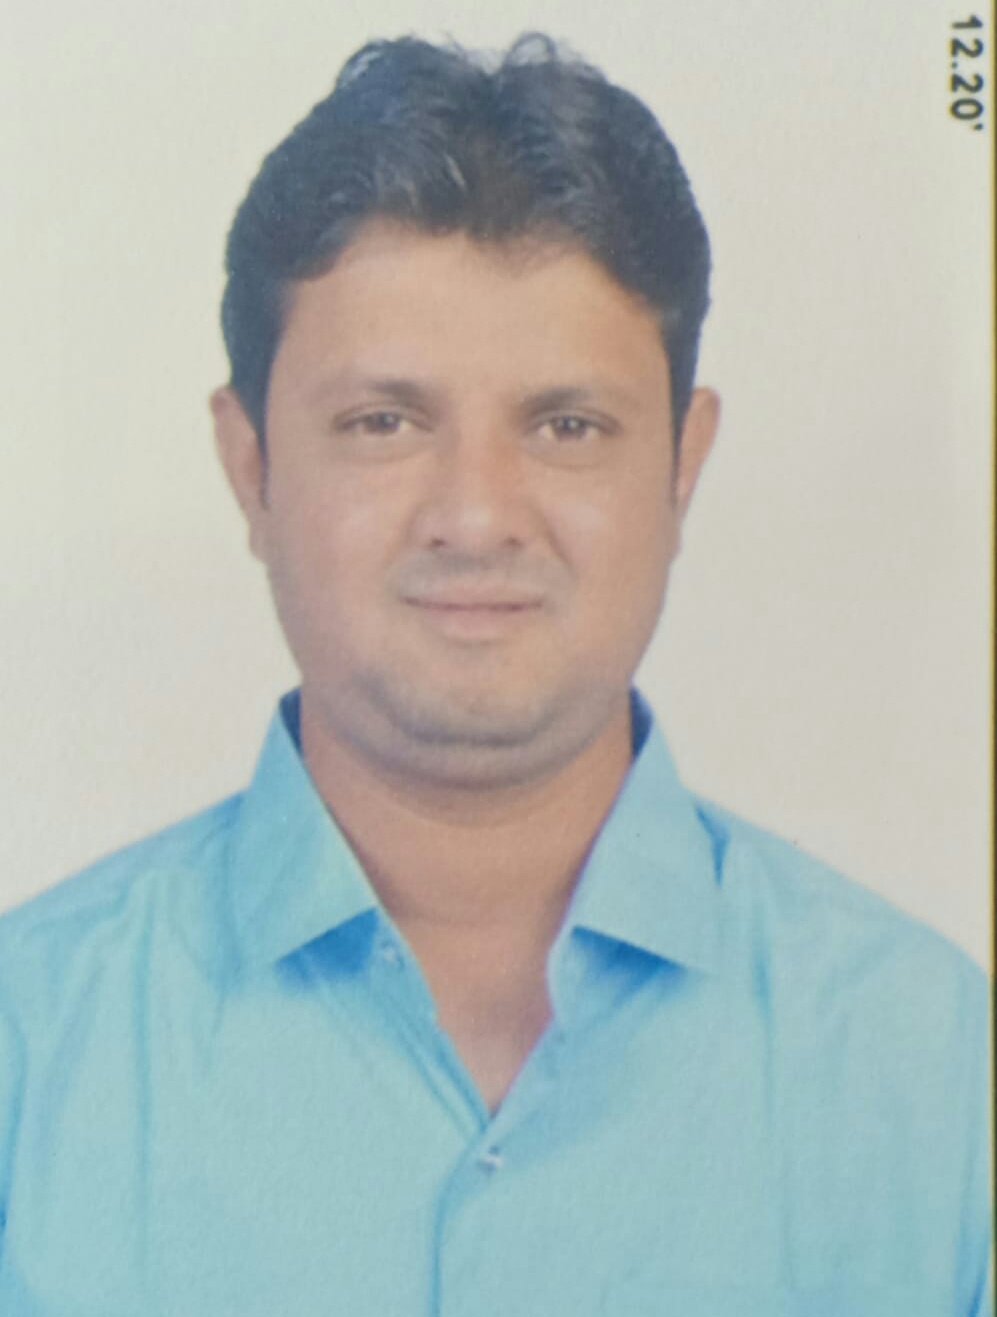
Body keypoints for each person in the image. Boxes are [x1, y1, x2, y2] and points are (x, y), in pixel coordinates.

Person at [0, 33, 990, 1316]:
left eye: (567, 425)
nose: (476, 516)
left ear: (681, 467)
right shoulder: (29, 1051)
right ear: (251, 469)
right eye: (383, 423)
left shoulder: (939, 1077)